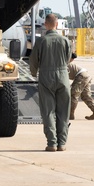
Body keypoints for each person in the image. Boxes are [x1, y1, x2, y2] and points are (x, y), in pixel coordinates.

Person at [28, 13, 72, 151]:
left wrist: (35, 74)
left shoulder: (41, 41)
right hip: (63, 76)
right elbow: (68, 58)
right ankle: (62, 143)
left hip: (46, 76)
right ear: (57, 24)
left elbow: (33, 60)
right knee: (63, 111)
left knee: (48, 111)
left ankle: (52, 143)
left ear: (46, 24)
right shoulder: (65, 41)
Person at [68, 52, 94, 120]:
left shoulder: (63, 64)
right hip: (86, 75)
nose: (72, 60)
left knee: (73, 95)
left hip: (81, 75)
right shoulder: (65, 62)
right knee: (86, 96)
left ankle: (71, 114)